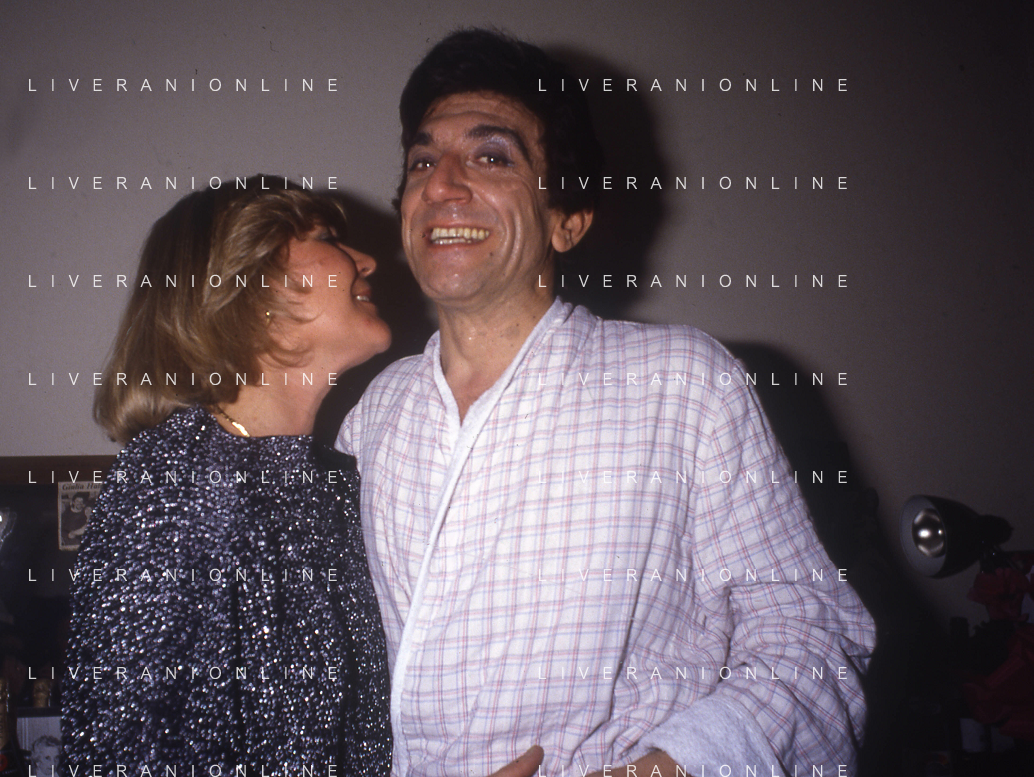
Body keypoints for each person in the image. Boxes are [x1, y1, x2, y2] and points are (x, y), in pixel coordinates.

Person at [338, 30, 876, 777]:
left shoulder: (684, 384)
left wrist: (659, 771)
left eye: (491, 157)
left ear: (568, 220)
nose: (442, 184)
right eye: (422, 161)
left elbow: (809, 635)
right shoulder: (374, 413)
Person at [62, 177, 392, 774]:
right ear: (247, 286)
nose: (366, 260)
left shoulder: (329, 486)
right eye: (326, 238)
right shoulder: (172, 488)